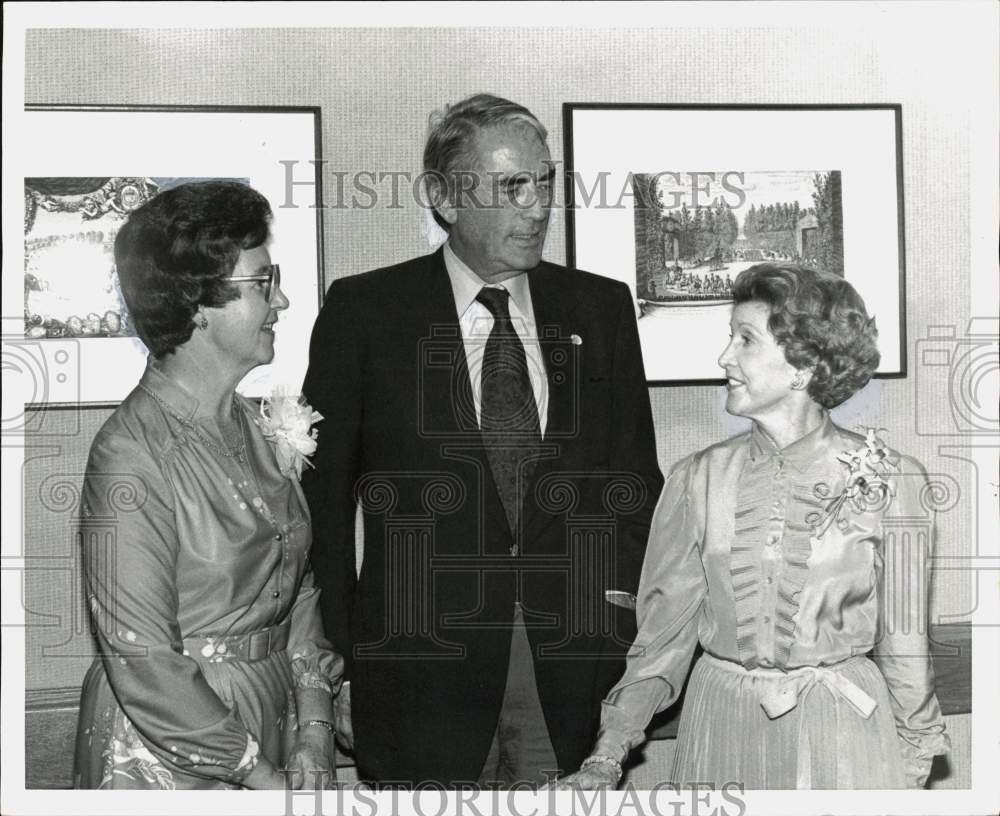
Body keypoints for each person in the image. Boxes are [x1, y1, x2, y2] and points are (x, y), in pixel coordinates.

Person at [301, 94, 663, 787]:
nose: (535, 207)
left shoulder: (601, 307)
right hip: (414, 675)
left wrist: (618, 614)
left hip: (569, 671)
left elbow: (636, 485)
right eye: (509, 187)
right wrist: (337, 665)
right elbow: (319, 508)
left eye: (545, 182)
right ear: (443, 197)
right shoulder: (366, 314)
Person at [558, 263, 950, 790]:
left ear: (803, 365)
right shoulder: (697, 479)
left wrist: (913, 766)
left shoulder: (893, 479)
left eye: (744, 340)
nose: (724, 357)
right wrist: (606, 756)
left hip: (842, 731)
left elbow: (905, 644)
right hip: (722, 725)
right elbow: (660, 644)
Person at [74, 181, 343, 790]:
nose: (283, 301)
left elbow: (296, 589)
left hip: (276, 716)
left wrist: (314, 731)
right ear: (195, 303)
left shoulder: (257, 423)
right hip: (171, 752)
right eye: (263, 282)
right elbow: (144, 662)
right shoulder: (129, 455)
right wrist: (262, 778)